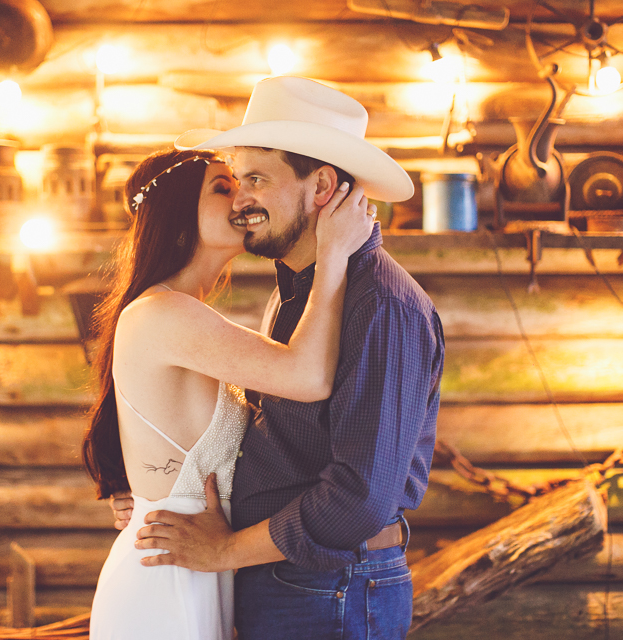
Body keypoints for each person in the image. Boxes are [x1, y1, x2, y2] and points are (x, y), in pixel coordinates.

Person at [124, 76, 446, 640]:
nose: (241, 199)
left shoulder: (381, 306)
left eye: (255, 179)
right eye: (232, 180)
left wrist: (224, 550)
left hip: (331, 586)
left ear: (321, 186)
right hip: (283, 578)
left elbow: (360, 498)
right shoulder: (295, 294)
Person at [83, 146, 376, 640]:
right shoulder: (162, 314)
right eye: (224, 187)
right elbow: (307, 378)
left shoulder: (186, 315)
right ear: (177, 216)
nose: (241, 198)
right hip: (166, 577)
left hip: (196, 565)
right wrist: (335, 256)